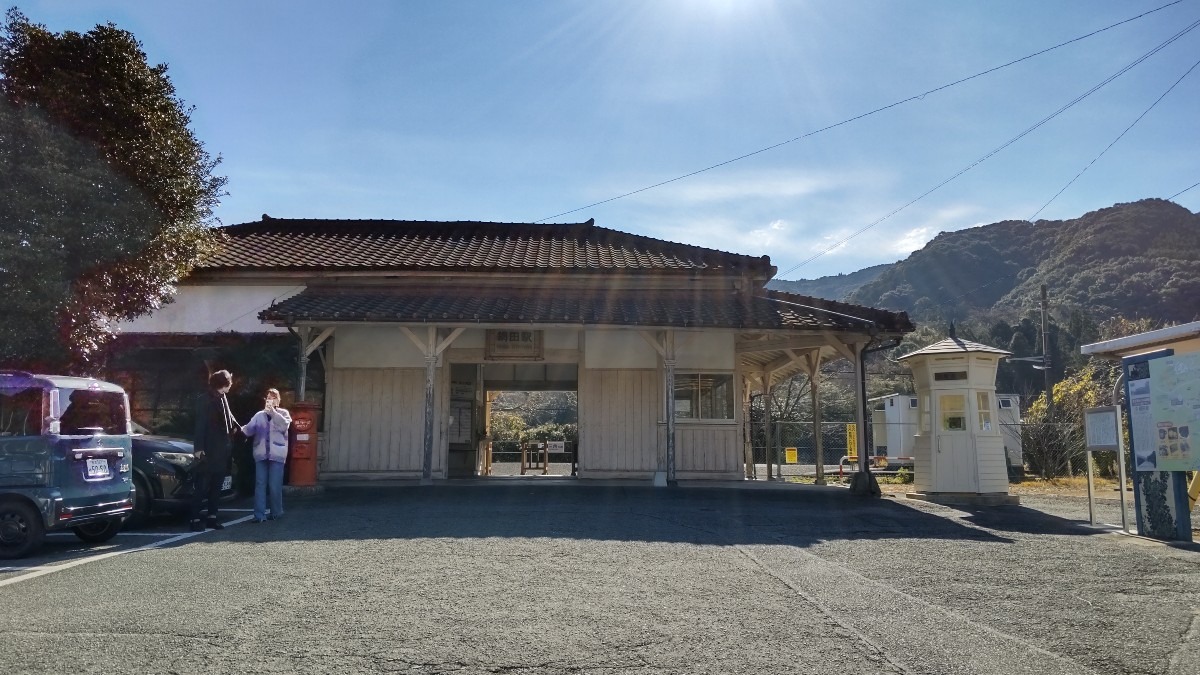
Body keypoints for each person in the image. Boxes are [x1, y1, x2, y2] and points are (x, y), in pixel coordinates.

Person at [191, 369, 241, 532]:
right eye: (229, 382)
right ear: (224, 383)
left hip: (222, 448)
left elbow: (230, 418)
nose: (231, 385)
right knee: (202, 485)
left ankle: (212, 517)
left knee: (217, 486)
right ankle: (195, 518)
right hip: (209, 448)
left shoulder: (223, 398)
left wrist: (239, 430)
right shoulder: (205, 399)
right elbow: (200, 425)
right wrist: (198, 448)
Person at [240, 388, 292, 523]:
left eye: (273, 397)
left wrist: (273, 412)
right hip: (261, 454)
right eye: (268, 398)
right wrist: (243, 429)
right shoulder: (259, 415)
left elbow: (284, 426)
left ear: (278, 400)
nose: (270, 400)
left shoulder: (283, 413)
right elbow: (249, 430)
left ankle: (276, 512)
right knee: (260, 484)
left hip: (277, 454)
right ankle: (259, 515)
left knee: (275, 485)